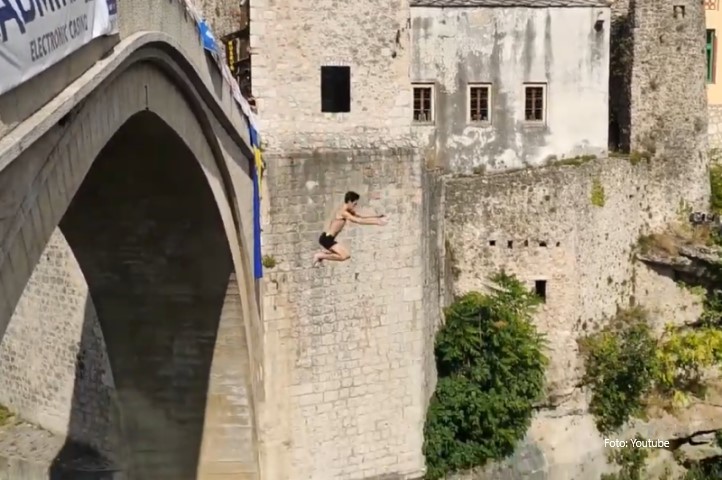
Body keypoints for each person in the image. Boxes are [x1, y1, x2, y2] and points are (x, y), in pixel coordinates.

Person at [313, 191, 387, 267]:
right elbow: (358, 220)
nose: (355, 206)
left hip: (328, 238)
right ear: (349, 202)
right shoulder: (343, 212)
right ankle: (320, 255)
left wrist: (376, 216)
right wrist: (376, 222)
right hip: (327, 238)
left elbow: (360, 216)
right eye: (354, 204)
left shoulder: (347, 211)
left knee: (345, 255)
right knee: (345, 255)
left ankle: (323, 255)